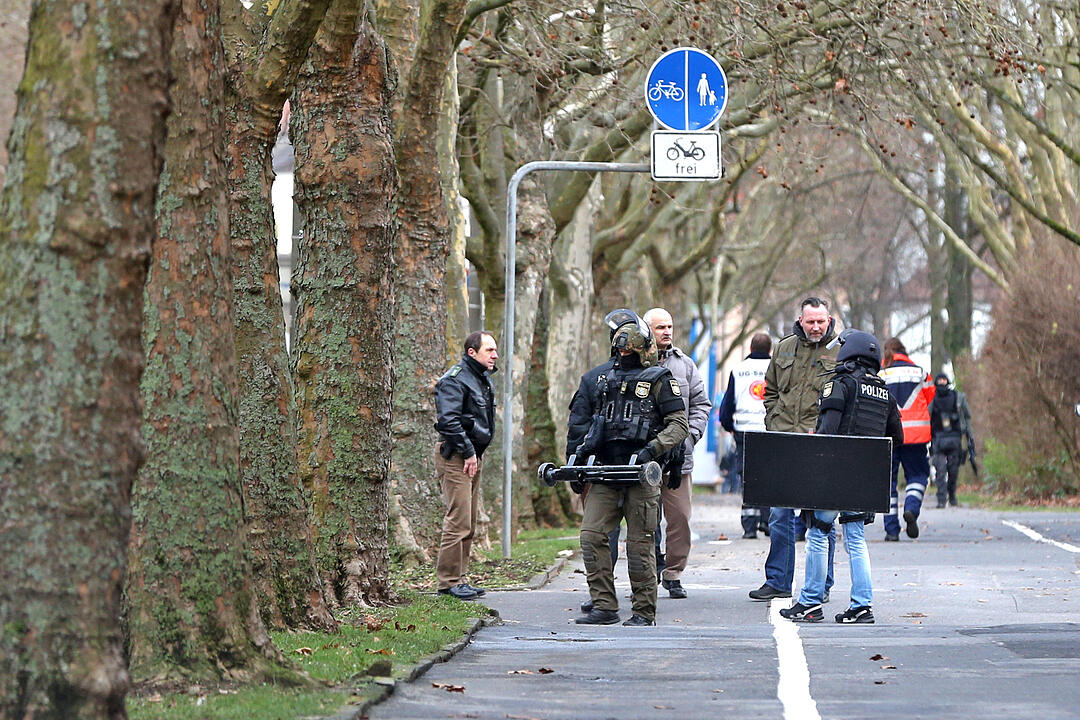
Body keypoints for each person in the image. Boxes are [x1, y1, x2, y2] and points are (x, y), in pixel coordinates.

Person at [567, 310, 689, 626]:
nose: (624, 354)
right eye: (620, 349)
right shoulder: (600, 380)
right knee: (591, 536)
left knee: (639, 544)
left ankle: (643, 611)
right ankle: (604, 605)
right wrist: (576, 462)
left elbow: (678, 425)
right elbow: (582, 424)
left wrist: (652, 449)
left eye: (629, 349)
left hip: (641, 474)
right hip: (605, 471)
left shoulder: (660, 380)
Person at [779, 330, 904, 624]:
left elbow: (827, 432)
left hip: (835, 471)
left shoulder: (839, 383)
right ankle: (862, 605)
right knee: (856, 539)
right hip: (864, 475)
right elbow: (896, 437)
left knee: (819, 533)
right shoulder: (884, 392)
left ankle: (810, 602)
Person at [748, 297, 838, 602]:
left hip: (820, 444)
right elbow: (770, 391)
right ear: (800, 320)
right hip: (783, 441)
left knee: (820, 518)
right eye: (810, 321)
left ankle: (821, 585)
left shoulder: (840, 350)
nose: (815, 327)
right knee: (779, 515)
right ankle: (778, 580)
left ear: (829, 319)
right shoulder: (784, 347)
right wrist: (774, 420)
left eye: (820, 321)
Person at [644, 307, 711, 599]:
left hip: (677, 460)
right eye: (660, 327)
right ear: (647, 330)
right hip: (644, 459)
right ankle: (647, 570)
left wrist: (690, 436)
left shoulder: (685, 365)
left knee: (680, 517)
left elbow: (701, 405)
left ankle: (673, 573)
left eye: (669, 326)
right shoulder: (633, 363)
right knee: (645, 519)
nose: (667, 332)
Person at [434, 331, 498, 600]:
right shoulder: (455, 380)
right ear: (472, 352)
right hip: (457, 457)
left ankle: (460, 578)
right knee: (458, 521)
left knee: (468, 523)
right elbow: (448, 421)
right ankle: (447, 582)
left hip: (472, 456)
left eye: (495, 350)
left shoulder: (480, 379)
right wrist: (469, 452)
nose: (494, 355)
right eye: (489, 350)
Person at [878, 338, 936, 540]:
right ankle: (911, 508)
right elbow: (930, 396)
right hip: (916, 436)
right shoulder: (920, 372)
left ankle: (891, 530)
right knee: (918, 476)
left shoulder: (881, 375)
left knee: (888, 483)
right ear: (904, 351)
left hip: (890, 436)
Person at [718, 332, 772, 539]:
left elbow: (727, 404)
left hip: (744, 431)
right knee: (769, 476)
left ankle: (749, 526)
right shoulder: (775, 368)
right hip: (769, 430)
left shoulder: (738, 369)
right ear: (769, 350)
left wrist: (729, 425)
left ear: (750, 349)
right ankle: (767, 521)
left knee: (747, 477)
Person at [928, 372, 974, 508]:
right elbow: (926, 418)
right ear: (936, 383)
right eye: (939, 380)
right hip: (937, 440)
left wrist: (970, 437)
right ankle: (941, 499)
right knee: (940, 471)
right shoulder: (932, 399)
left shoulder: (958, 397)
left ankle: (952, 495)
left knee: (953, 470)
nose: (942, 382)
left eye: (944, 380)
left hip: (955, 439)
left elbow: (967, 418)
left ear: (947, 381)